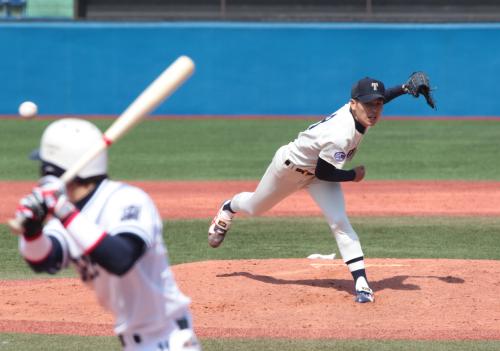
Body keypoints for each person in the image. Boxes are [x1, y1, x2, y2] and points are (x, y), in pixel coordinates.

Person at [208, 73, 431, 304]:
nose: (373, 110)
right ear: (353, 104)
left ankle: (362, 284)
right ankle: (228, 207)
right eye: (367, 104)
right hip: (289, 169)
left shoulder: (361, 112)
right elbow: (325, 173)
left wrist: (405, 88)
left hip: (318, 175)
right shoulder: (341, 134)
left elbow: (381, 97)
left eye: (378, 104)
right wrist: (353, 175)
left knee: (339, 221)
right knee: (256, 207)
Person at [13, 118, 201, 351]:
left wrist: (62, 210)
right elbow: (43, 260)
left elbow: (121, 258)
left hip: (168, 340)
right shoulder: (68, 217)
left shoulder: (125, 200)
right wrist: (32, 229)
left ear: (50, 170)